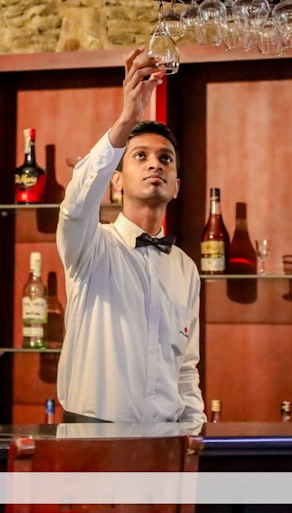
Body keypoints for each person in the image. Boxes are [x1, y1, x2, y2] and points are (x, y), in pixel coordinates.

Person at [55, 47, 205, 424]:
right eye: (140, 156)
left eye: (165, 158)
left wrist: (193, 433)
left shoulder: (185, 268)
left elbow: (186, 367)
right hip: (92, 440)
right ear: (116, 181)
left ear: (176, 187)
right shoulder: (91, 247)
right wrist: (127, 120)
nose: (155, 163)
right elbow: (76, 204)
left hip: (167, 441)